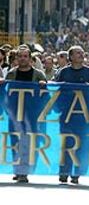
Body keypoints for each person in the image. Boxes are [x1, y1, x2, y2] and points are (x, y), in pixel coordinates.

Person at [0, 46, 47, 183]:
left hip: (32, 114)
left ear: (30, 59)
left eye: (25, 56)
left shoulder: (38, 75)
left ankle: (25, 170)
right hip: (15, 113)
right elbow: (6, 93)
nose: (22, 59)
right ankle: (18, 169)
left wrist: (43, 85)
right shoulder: (11, 74)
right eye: (20, 56)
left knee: (30, 141)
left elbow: (46, 95)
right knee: (15, 140)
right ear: (16, 59)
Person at [55, 45, 89, 184]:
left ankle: (77, 172)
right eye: (78, 53)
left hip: (85, 116)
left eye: (82, 52)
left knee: (82, 144)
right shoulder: (63, 72)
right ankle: (64, 171)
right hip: (67, 114)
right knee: (67, 144)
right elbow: (55, 90)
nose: (81, 55)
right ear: (71, 57)